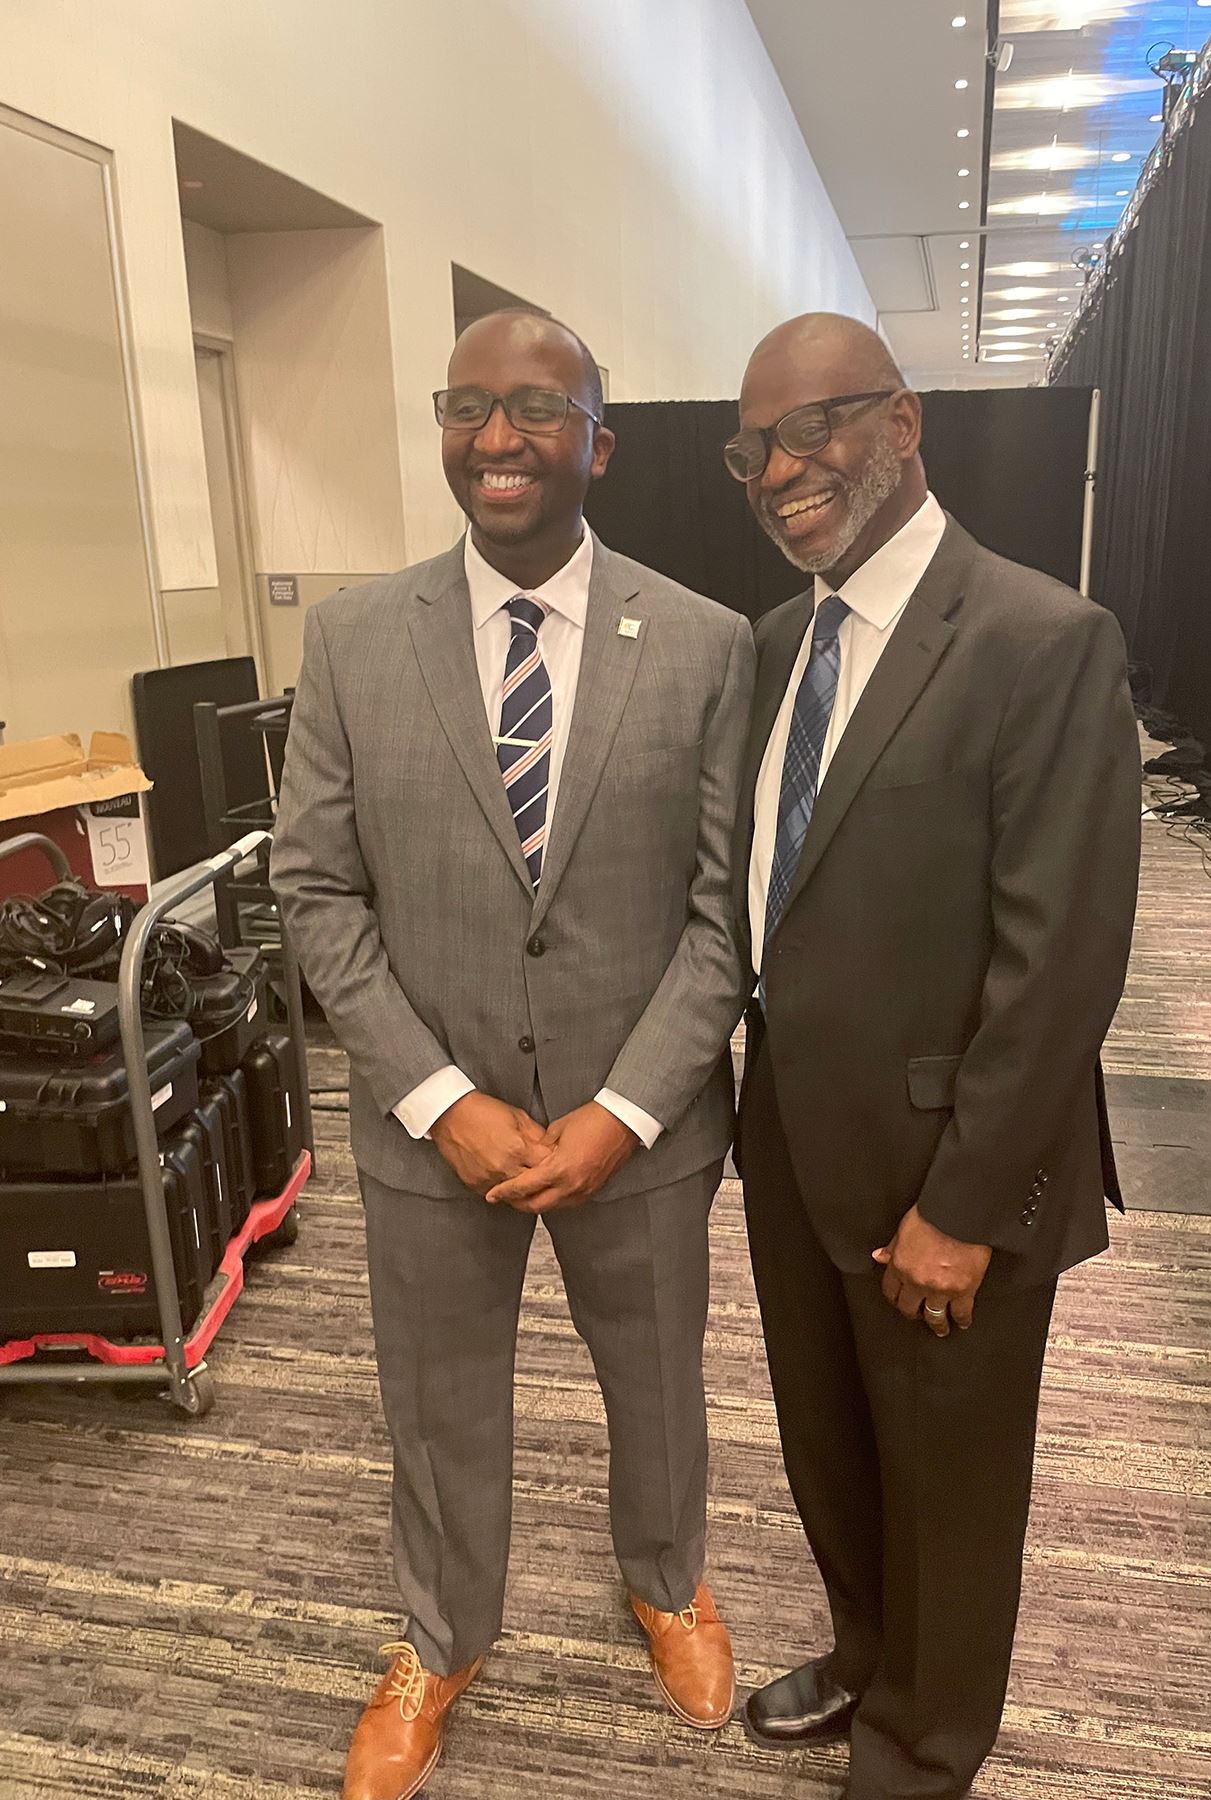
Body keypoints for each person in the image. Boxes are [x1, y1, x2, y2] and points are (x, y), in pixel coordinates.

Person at [271, 310, 753, 1800]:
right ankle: (440, 1636)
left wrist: (618, 1109)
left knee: (658, 1380)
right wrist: (439, 1097)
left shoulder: (706, 642)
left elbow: (723, 915)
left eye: (535, 408)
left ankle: (666, 1580)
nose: (497, 437)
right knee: (436, 1400)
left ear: (597, 440)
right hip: (430, 1129)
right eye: (468, 406)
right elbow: (314, 890)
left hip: (643, 1125)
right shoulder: (355, 638)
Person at [727, 313, 1141, 1800]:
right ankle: (864, 1656)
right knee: (830, 1450)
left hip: (944, 1165)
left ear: (903, 424)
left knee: (950, 1484)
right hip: (786, 1140)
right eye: (753, 448)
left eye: (814, 428)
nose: (781, 469)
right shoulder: (777, 647)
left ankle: (925, 1739)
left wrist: (963, 1206)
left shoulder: (1040, 637)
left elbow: (1061, 963)